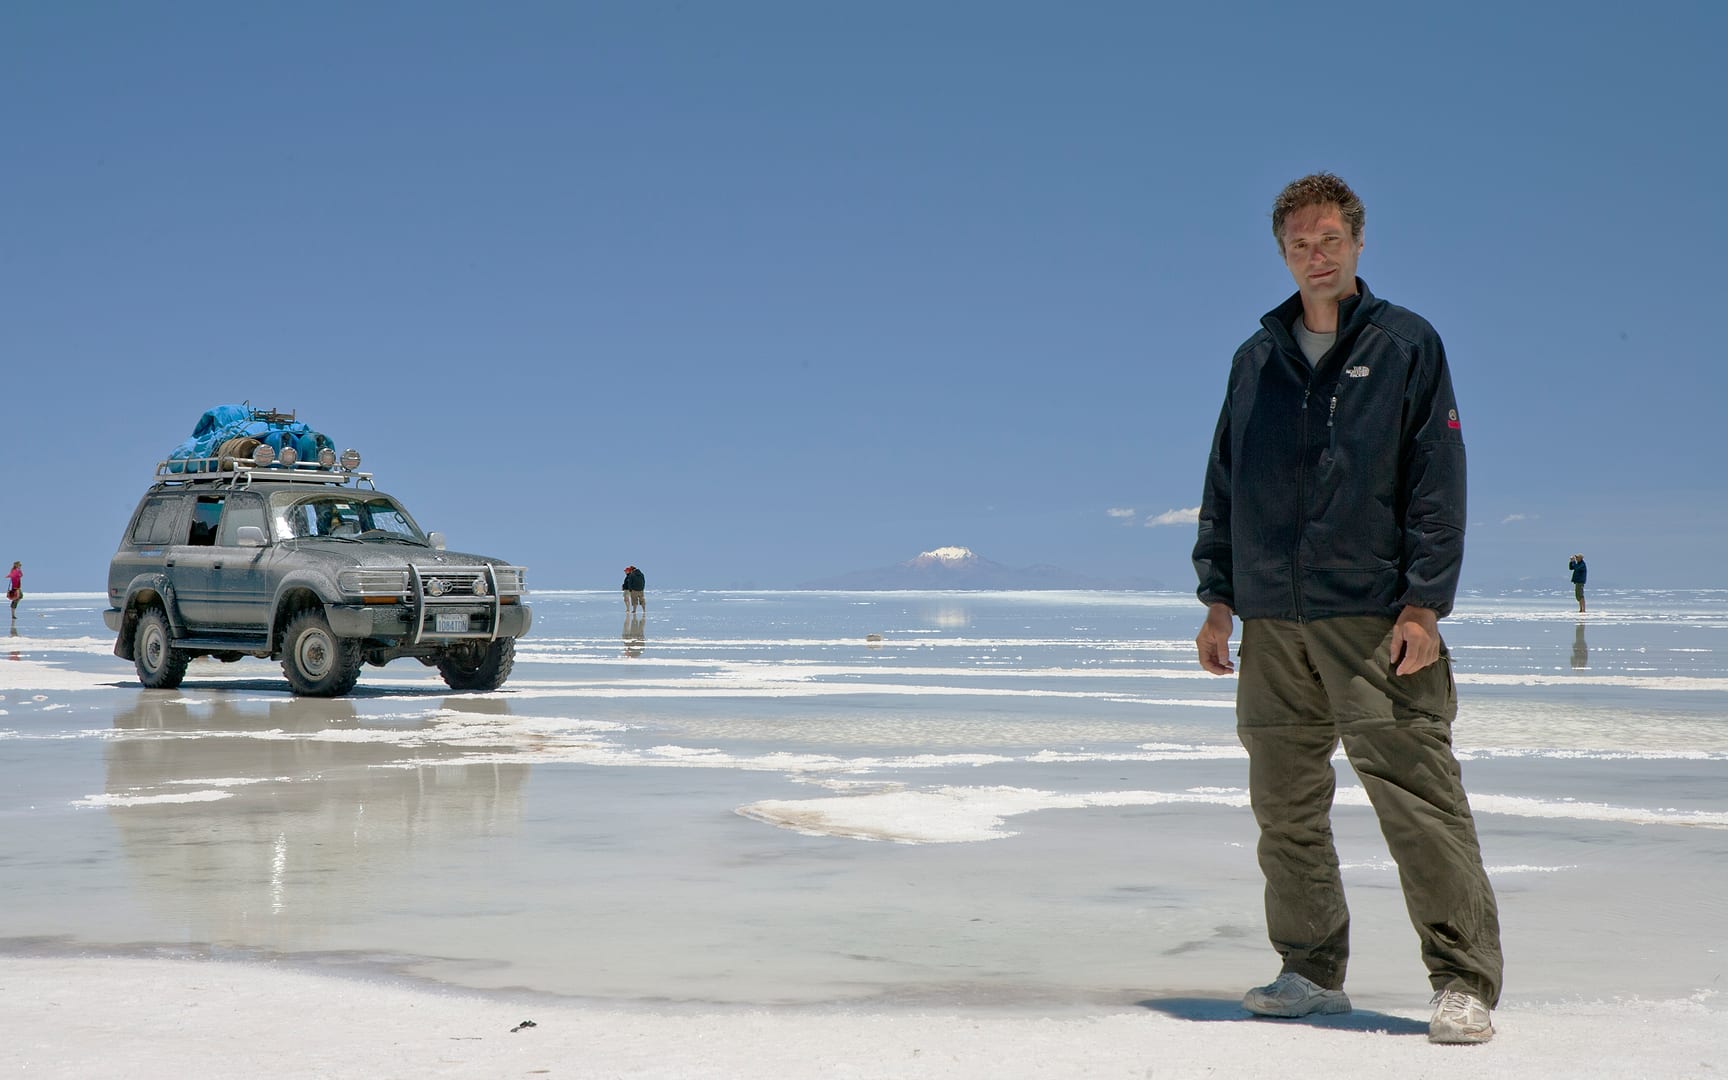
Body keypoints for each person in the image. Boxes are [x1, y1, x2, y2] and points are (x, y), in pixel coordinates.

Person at [1192, 173, 1502, 1044]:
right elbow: (1225, 483)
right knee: (1285, 808)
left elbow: (1437, 484)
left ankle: (1463, 981)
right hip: (1270, 625)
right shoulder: (1256, 359)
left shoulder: (1406, 345)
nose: (1315, 256)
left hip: (1373, 618)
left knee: (1418, 801)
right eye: (1299, 244)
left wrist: (1424, 606)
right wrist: (1218, 598)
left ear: (1358, 243)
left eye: (1329, 240)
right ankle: (1308, 971)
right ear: (1282, 252)